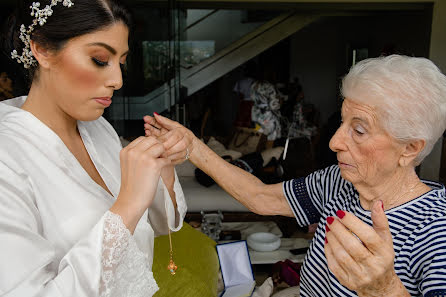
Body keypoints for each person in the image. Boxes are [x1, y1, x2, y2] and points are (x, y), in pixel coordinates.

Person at [145, 54, 446, 296]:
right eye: (342, 123)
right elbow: (261, 198)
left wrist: (385, 290)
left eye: (359, 130)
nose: (334, 142)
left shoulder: (436, 229)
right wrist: (192, 147)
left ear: (409, 149)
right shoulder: (338, 182)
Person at [0, 1, 189, 296]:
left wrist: (161, 168)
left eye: (121, 63)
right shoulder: (7, 157)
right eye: (100, 59)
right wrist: (126, 204)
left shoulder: (99, 130)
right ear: (43, 50)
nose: (117, 80)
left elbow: (159, 224)